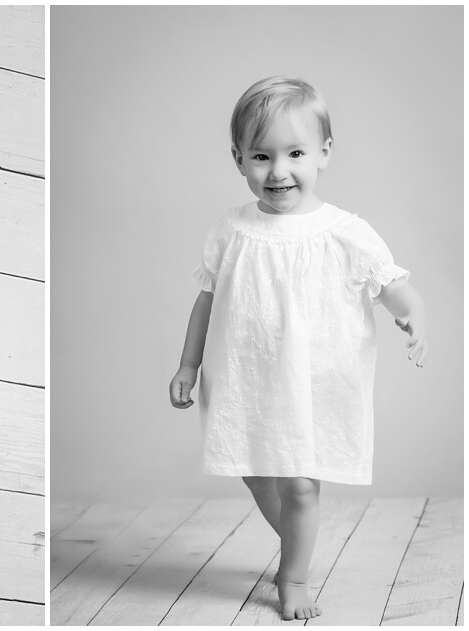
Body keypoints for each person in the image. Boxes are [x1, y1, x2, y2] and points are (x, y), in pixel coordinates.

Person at [168, 76, 429, 621]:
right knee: (255, 469)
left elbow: (391, 284)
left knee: (302, 485)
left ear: (324, 153)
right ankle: (297, 541)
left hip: (315, 380)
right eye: (261, 156)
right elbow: (205, 302)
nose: (278, 170)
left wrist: (414, 315)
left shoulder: (344, 231)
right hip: (246, 379)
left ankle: (293, 576)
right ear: (238, 159)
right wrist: (188, 364)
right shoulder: (232, 229)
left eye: (294, 153)